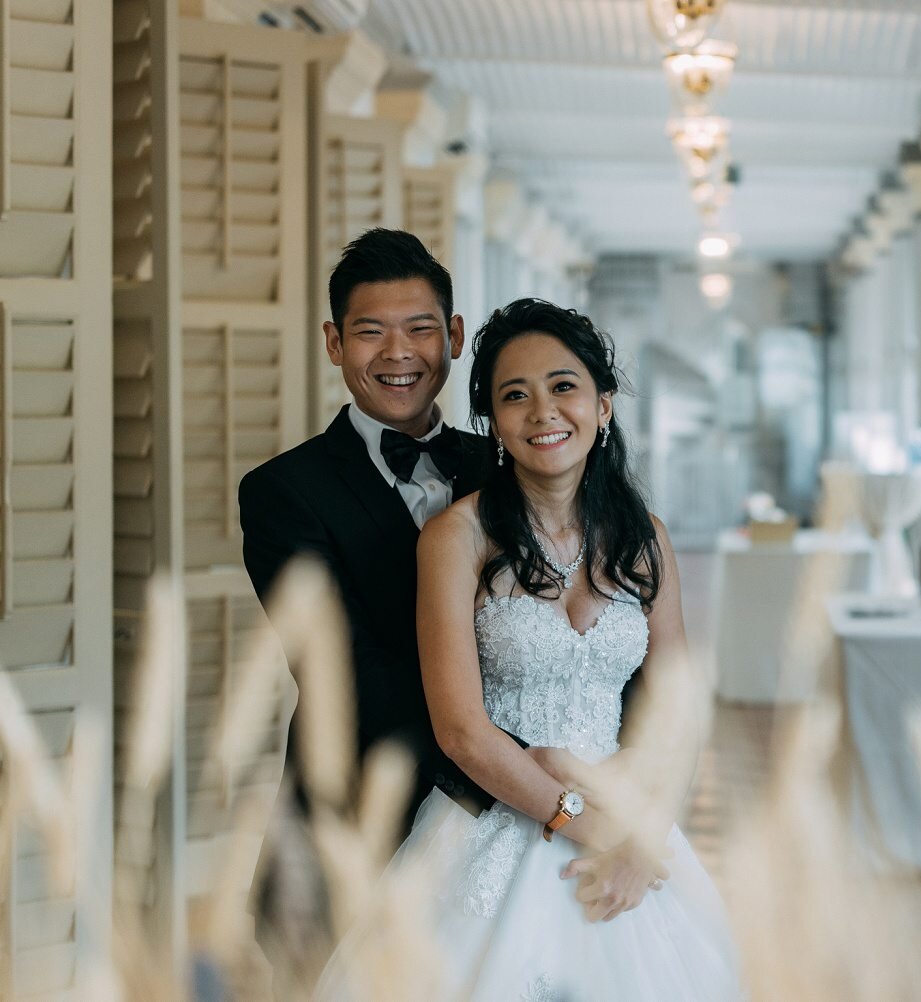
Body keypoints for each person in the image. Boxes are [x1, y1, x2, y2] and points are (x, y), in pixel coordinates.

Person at [322, 298, 740, 999]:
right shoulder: (456, 540)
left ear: (603, 407)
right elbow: (460, 731)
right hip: (494, 822)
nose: (543, 411)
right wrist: (581, 821)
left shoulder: (645, 539)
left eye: (564, 386)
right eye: (515, 395)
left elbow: (678, 708)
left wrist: (645, 835)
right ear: (494, 422)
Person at [239, 229, 515, 967]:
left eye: (420, 328)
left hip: (515, 829)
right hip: (352, 818)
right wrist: (504, 767)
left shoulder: (511, 464)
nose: (398, 353)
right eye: (370, 332)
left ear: (454, 336)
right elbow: (340, 666)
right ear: (335, 342)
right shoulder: (280, 494)